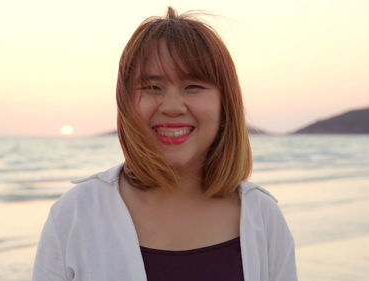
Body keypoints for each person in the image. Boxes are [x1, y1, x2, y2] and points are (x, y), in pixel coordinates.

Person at [33, 7, 297, 281]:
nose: (171, 107)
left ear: (224, 103)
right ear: (125, 103)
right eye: (151, 87)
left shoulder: (263, 218)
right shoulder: (76, 215)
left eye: (193, 86)